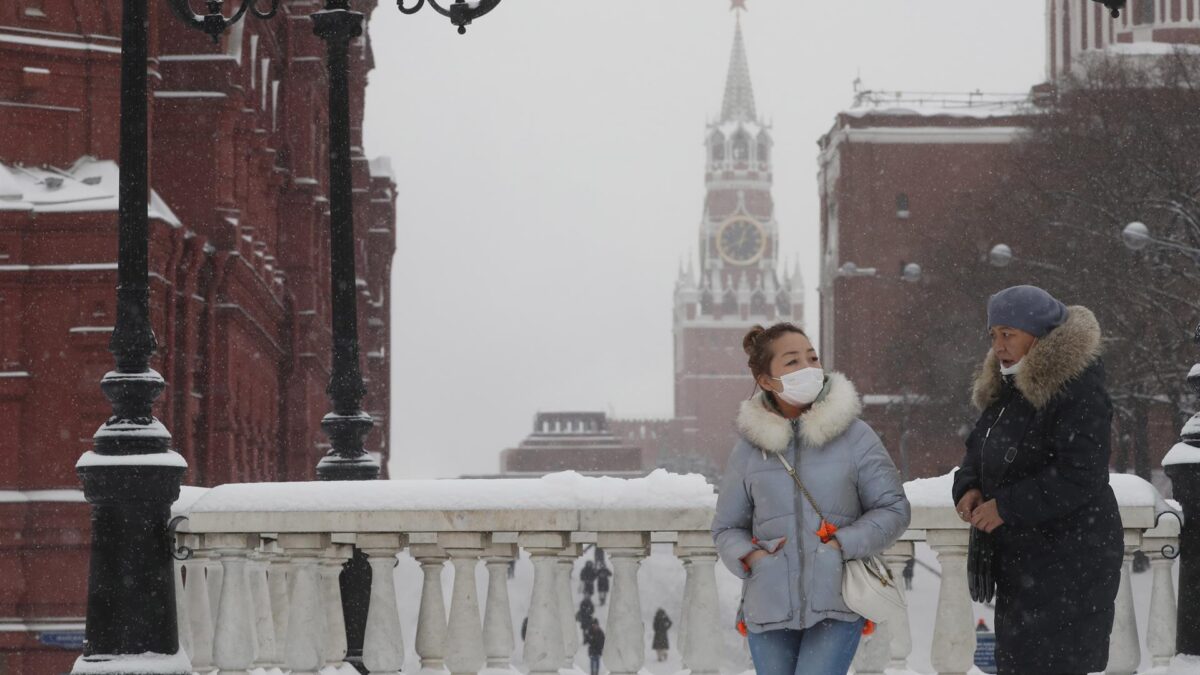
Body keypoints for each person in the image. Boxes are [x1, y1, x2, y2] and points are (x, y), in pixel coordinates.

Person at [712, 322, 911, 675]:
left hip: (837, 603)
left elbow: (893, 509)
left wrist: (841, 545)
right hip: (768, 606)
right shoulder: (748, 449)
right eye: (792, 362)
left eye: (812, 357)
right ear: (766, 381)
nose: (808, 368)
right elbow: (727, 527)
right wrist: (753, 557)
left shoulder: (855, 436)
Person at [952, 286, 1122, 675]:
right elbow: (978, 448)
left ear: (1039, 335)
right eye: (993, 335)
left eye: (1008, 333)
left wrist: (1007, 506)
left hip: (1072, 563)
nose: (998, 345)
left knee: (1054, 664)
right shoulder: (1008, 387)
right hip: (1024, 563)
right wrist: (969, 486)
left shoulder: (1078, 389)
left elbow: (1082, 474)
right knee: (1019, 664)